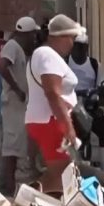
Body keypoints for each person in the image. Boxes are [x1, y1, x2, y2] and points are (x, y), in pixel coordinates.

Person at [25, 14, 83, 185]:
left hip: (47, 120)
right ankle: (27, 197)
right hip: (51, 121)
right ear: (61, 37)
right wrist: (67, 126)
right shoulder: (47, 55)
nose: (72, 44)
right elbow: (52, 93)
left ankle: (29, 197)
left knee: (59, 173)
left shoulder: (44, 54)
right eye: (72, 38)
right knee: (61, 174)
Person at [0, 16, 40, 195]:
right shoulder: (12, 46)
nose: (34, 38)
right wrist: (16, 89)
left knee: (15, 146)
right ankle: (6, 185)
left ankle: (8, 184)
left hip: (19, 105)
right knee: (11, 147)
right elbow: (2, 66)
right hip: (13, 103)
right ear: (27, 34)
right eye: (33, 35)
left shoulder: (20, 49)